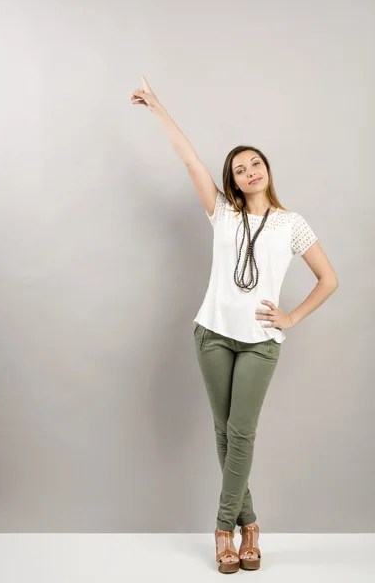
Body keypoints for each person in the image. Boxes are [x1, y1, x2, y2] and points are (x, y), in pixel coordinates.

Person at [131, 76, 339, 574]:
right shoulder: (222, 215)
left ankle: (225, 529)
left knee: (241, 434)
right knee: (224, 432)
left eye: (256, 164)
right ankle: (251, 527)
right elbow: (190, 160)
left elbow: (328, 279)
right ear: (232, 179)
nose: (249, 172)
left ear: (267, 170)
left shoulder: (292, 224)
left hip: (261, 342)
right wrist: (159, 109)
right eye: (239, 168)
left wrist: (290, 316)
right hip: (212, 334)